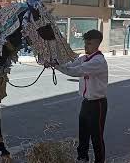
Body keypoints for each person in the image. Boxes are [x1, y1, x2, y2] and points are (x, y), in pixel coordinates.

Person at [52, 30, 108, 163]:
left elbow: (75, 71)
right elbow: (70, 65)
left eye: (89, 43)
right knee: (83, 133)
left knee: (96, 136)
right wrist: (55, 63)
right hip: (86, 103)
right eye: (85, 43)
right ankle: (82, 157)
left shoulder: (98, 61)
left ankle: (99, 161)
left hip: (98, 104)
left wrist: (57, 67)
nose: (85, 46)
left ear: (97, 44)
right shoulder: (84, 58)